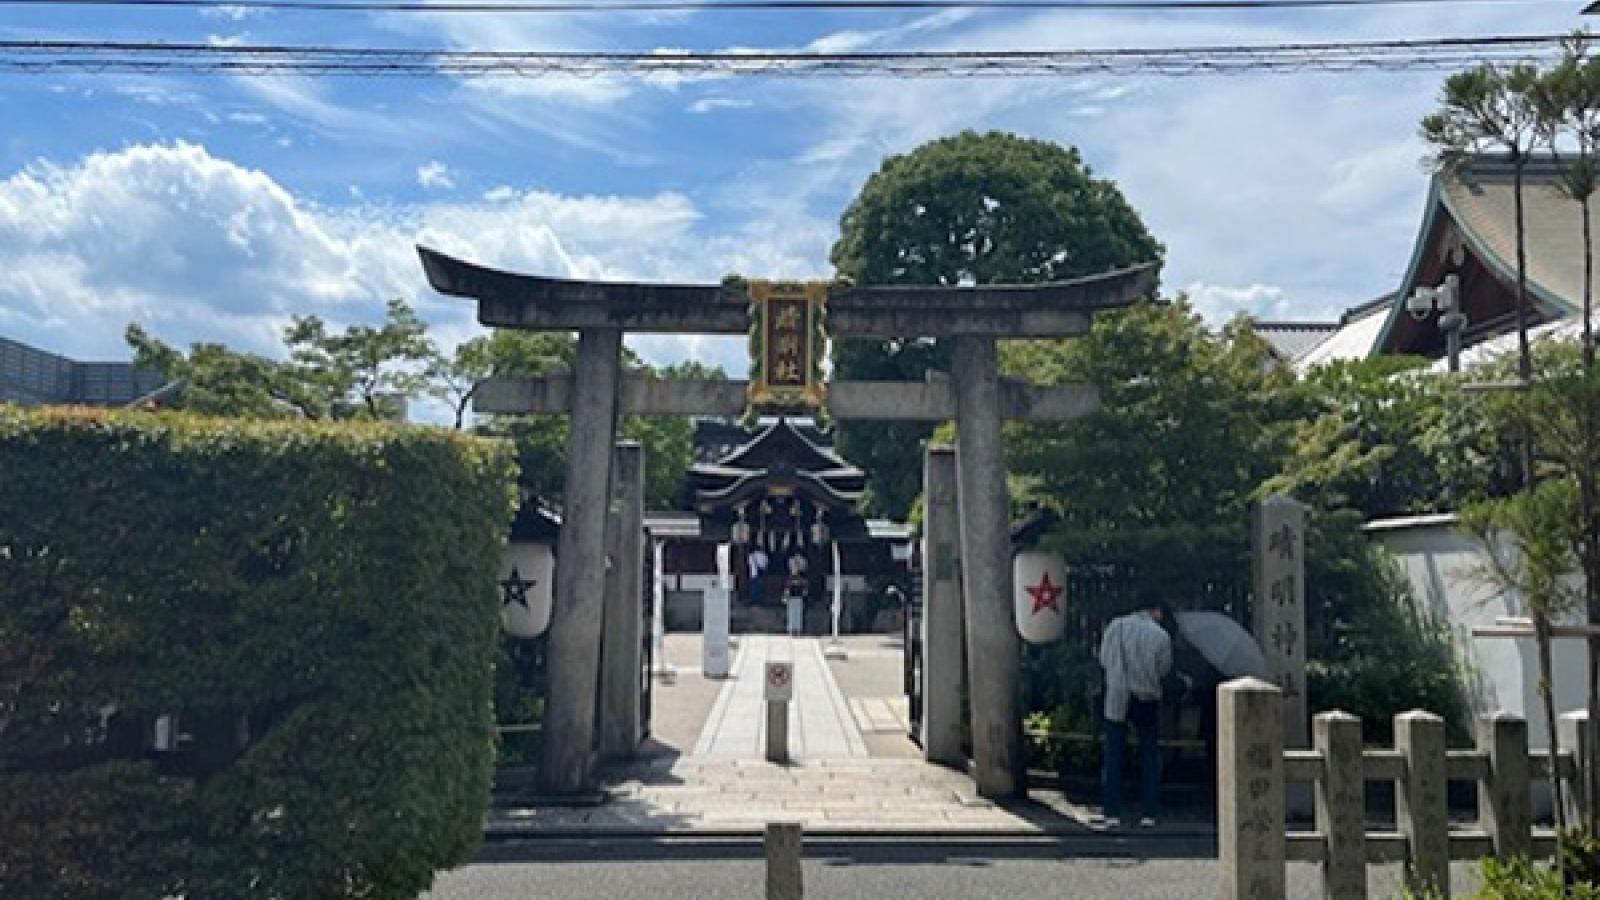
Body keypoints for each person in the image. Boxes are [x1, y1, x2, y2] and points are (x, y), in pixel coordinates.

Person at [1097, 598, 1173, 829]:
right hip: (1146, 697)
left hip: (1117, 696)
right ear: (1156, 610)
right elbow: (1164, 668)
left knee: (1113, 754)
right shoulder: (1160, 635)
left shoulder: (1115, 627)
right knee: (1148, 754)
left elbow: (1103, 659)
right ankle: (1148, 813)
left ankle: (1112, 813)